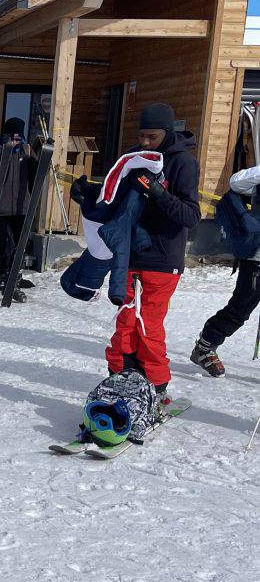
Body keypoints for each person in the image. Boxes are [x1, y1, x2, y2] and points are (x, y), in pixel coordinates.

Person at [105, 102, 200, 400]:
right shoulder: (134, 158)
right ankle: (122, 376)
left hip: (162, 259)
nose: (145, 142)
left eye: (152, 137)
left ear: (167, 133)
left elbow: (191, 216)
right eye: (142, 136)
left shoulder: (183, 163)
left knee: (147, 324)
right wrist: (91, 198)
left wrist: (158, 192)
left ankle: (156, 384)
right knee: (125, 322)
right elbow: (117, 200)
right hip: (130, 255)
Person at [191, 162, 260, 376]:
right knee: (239, 309)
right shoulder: (254, 178)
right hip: (257, 258)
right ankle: (205, 346)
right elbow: (236, 182)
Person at [0, 117, 34, 303]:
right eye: (13, 138)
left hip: (21, 209)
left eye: (19, 139)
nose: (15, 142)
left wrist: (38, 159)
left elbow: (34, 178)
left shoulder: (25, 153)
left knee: (20, 248)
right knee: (3, 247)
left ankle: (13, 282)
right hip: (0, 209)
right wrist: (0, 154)